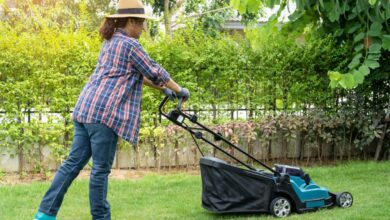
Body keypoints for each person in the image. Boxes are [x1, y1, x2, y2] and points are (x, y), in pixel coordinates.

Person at [34, 0, 189, 219]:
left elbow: (139, 74)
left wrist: (163, 89)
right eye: (142, 23)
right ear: (131, 21)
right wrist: (180, 89)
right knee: (100, 170)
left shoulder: (110, 41)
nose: (144, 28)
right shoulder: (130, 45)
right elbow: (155, 71)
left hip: (85, 110)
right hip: (103, 116)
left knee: (71, 165)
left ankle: (44, 214)